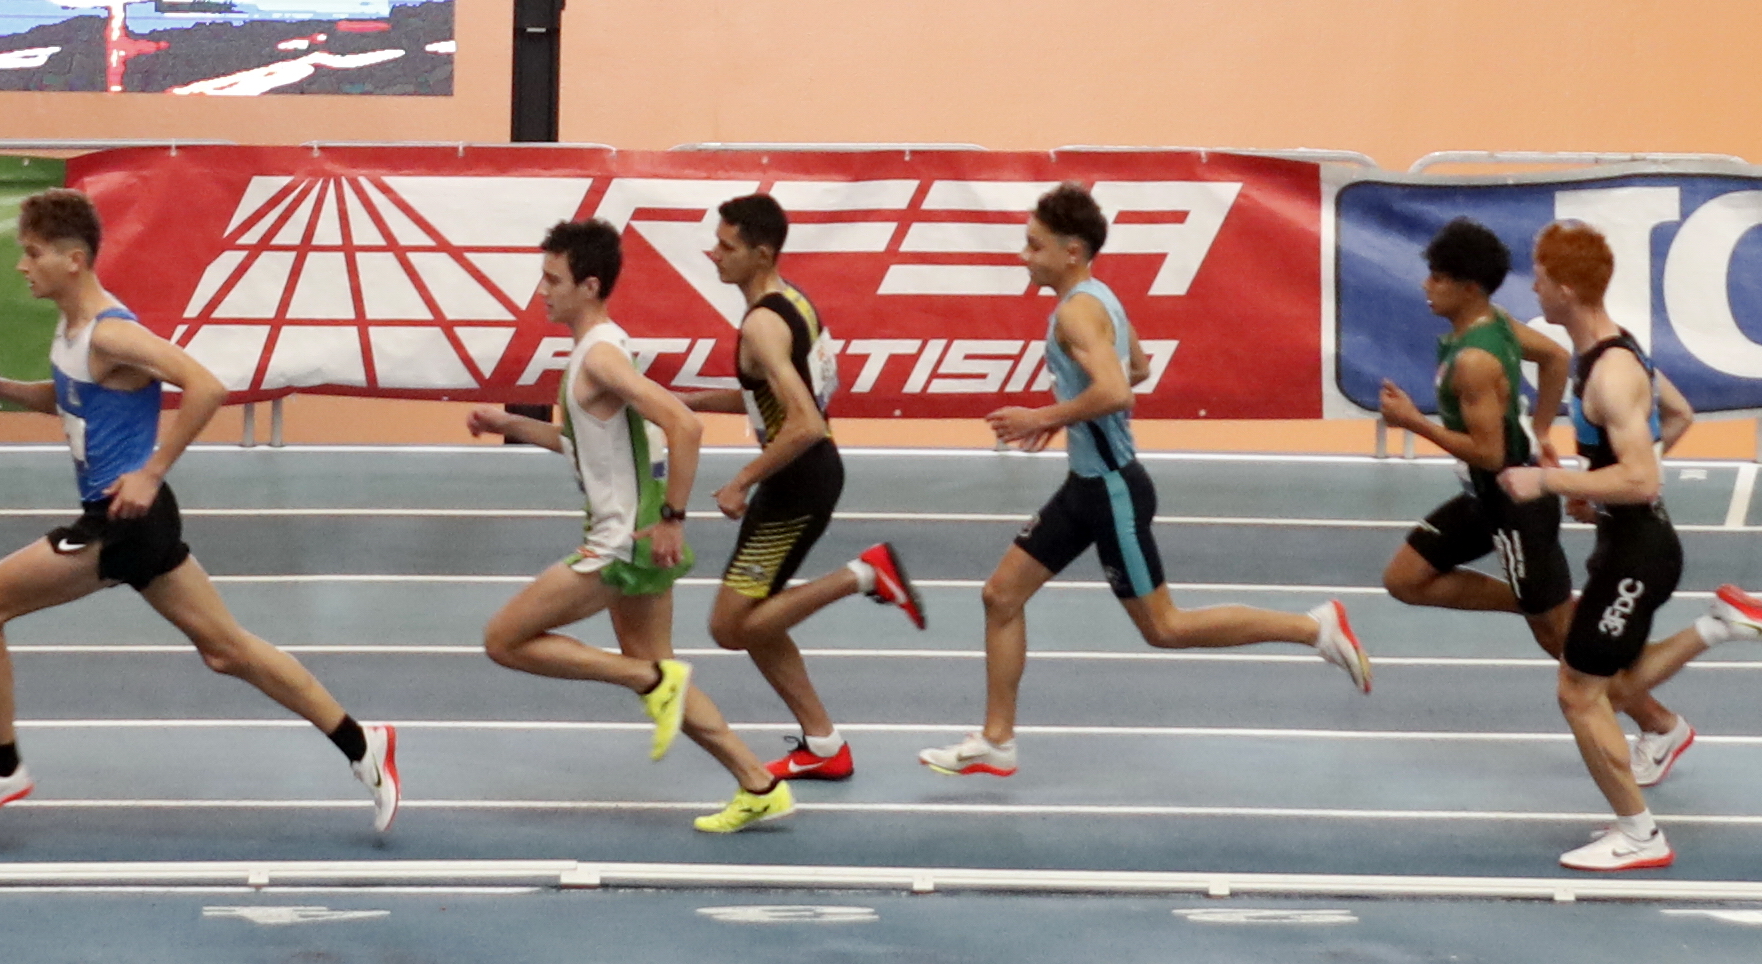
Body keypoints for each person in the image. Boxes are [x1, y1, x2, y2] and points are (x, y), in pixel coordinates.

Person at [0, 190, 399, 830]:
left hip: (122, 518)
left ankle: (3, 768)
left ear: (74, 259)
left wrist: (150, 471)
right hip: (136, 517)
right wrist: (1, 388)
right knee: (227, 650)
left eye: (31, 253)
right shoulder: (72, 331)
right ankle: (363, 744)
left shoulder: (113, 333)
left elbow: (207, 386)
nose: (21, 265)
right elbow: (75, 402)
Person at [919, 184, 1371, 779]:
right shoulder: (1099, 297)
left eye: (1034, 246)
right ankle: (997, 740)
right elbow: (1137, 363)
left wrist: (1043, 417)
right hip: (1088, 486)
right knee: (1001, 595)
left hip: (1109, 491)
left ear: (1071, 252)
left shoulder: (1076, 310)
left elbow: (1119, 389)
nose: (1023, 256)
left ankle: (1314, 627)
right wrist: (1073, 414)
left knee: (1165, 628)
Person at [1496, 220, 1762, 871]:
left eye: (1537, 277)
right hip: (1632, 544)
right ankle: (1713, 639)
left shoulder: (1609, 374)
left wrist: (1551, 481)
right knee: (1604, 683)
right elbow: (1679, 416)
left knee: (1577, 692)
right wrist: (1595, 489)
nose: (1531, 287)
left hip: (1635, 555)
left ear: (1561, 288)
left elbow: (1642, 479)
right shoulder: (1620, 352)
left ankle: (1640, 834)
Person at [468, 218, 796, 834]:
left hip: (619, 544)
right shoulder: (601, 350)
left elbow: (686, 426)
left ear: (588, 286)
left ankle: (646, 678)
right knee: (660, 667)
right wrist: (510, 425)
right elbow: (587, 444)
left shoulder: (601, 355)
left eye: (552, 279)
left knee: (505, 640)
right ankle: (759, 782)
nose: (541, 291)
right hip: (639, 541)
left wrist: (674, 517)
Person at [1375, 216, 1698, 787]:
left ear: (1467, 287)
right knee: (1405, 578)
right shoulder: (1495, 324)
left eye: (1437, 277)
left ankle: (1660, 726)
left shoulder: (1480, 356)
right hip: (1489, 493)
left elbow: (1493, 453)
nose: (1425, 286)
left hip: (1513, 498)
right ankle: (1542, 600)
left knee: (1565, 654)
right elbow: (1552, 359)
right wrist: (1545, 428)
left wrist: (1411, 424)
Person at [692, 192, 929, 782]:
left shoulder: (763, 324)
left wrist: (740, 481)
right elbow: (776, 398)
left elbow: (804, 422)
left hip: (795, 486)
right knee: (757, 621)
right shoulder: (792, 301)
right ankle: (824, 745)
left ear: (760, 253)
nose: (712, 254)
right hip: (805, 475)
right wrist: (678, 403)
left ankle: (865, 574)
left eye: (726, 246)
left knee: (729, 627)